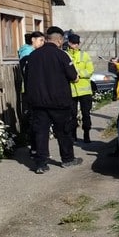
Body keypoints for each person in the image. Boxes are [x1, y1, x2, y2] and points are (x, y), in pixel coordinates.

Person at [25, 26, 82, 174]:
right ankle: (68, 159)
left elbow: (27, 78)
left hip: (38, 102)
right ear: (59, 40)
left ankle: (40, 164)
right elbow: (73, 76)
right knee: (63, 131)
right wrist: (76, 78)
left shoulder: (33, 56)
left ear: (46, 38)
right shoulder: (62, 55)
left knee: (41, 133)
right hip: (59, 102)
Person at [18, 31, 45, 155]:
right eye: (41, 40)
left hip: (32, 90)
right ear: (33, 40)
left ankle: (34, 146)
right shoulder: (27, 52)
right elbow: (27, 71)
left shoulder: (30, 51)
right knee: (32, 119)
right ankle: (33, 147)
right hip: (30, 90)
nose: (43, 43)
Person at [66, 33, 94, 143]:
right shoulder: (65, 55)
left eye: (77, 43)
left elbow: (90, 70)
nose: (75, 45)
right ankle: (73, 135)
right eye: (73, 43)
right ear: (69, 43)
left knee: (86, 114)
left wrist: (79, 74)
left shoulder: (84, 55)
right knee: (72, 114)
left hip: (85, 90)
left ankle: (86, 134)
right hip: (71, 90)